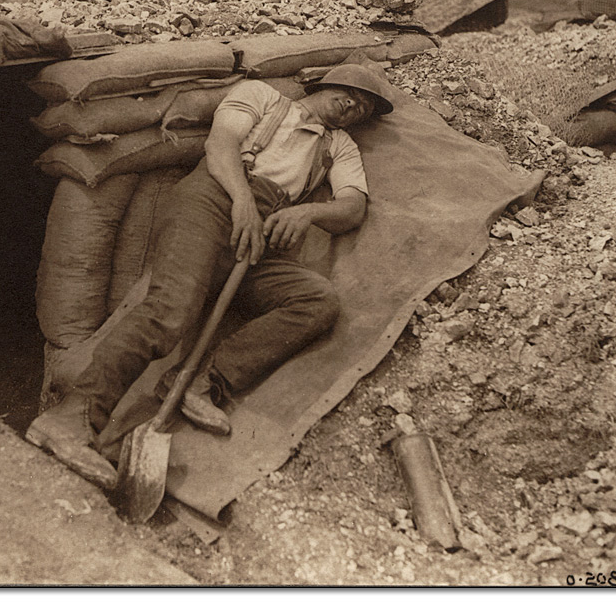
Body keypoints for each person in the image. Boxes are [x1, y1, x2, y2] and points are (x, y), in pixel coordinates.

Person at [26, 63, 397, 489]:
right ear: (326, 84)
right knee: (169, 311)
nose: (355, 105)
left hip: (259, 236)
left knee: (317, 301)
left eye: (365, 107)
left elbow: (352, 207)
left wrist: (308, 210)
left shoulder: (341, 146)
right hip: (211, 201)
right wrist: (241, 201)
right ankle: (71, 419)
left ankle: (201, 383)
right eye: (351, 93)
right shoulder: (262, 97)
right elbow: (220, 145)